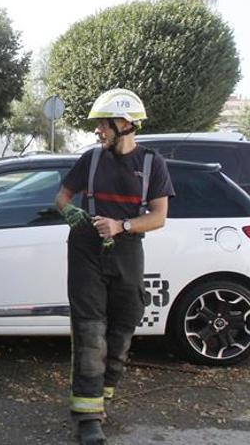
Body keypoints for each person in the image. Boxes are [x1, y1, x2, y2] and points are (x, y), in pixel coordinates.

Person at [54, 88, 174, 445]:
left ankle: (101, 395)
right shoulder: (90, 160)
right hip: (87, 250)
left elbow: (159, 217)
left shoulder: (152, 164)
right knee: (90, 331)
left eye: (103, 125)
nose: (98, 132)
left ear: (124, 124)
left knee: (122, 329)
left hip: (127, 250)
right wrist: (70, 211)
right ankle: (87, 418)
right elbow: (60, 198)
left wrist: (122, 226)